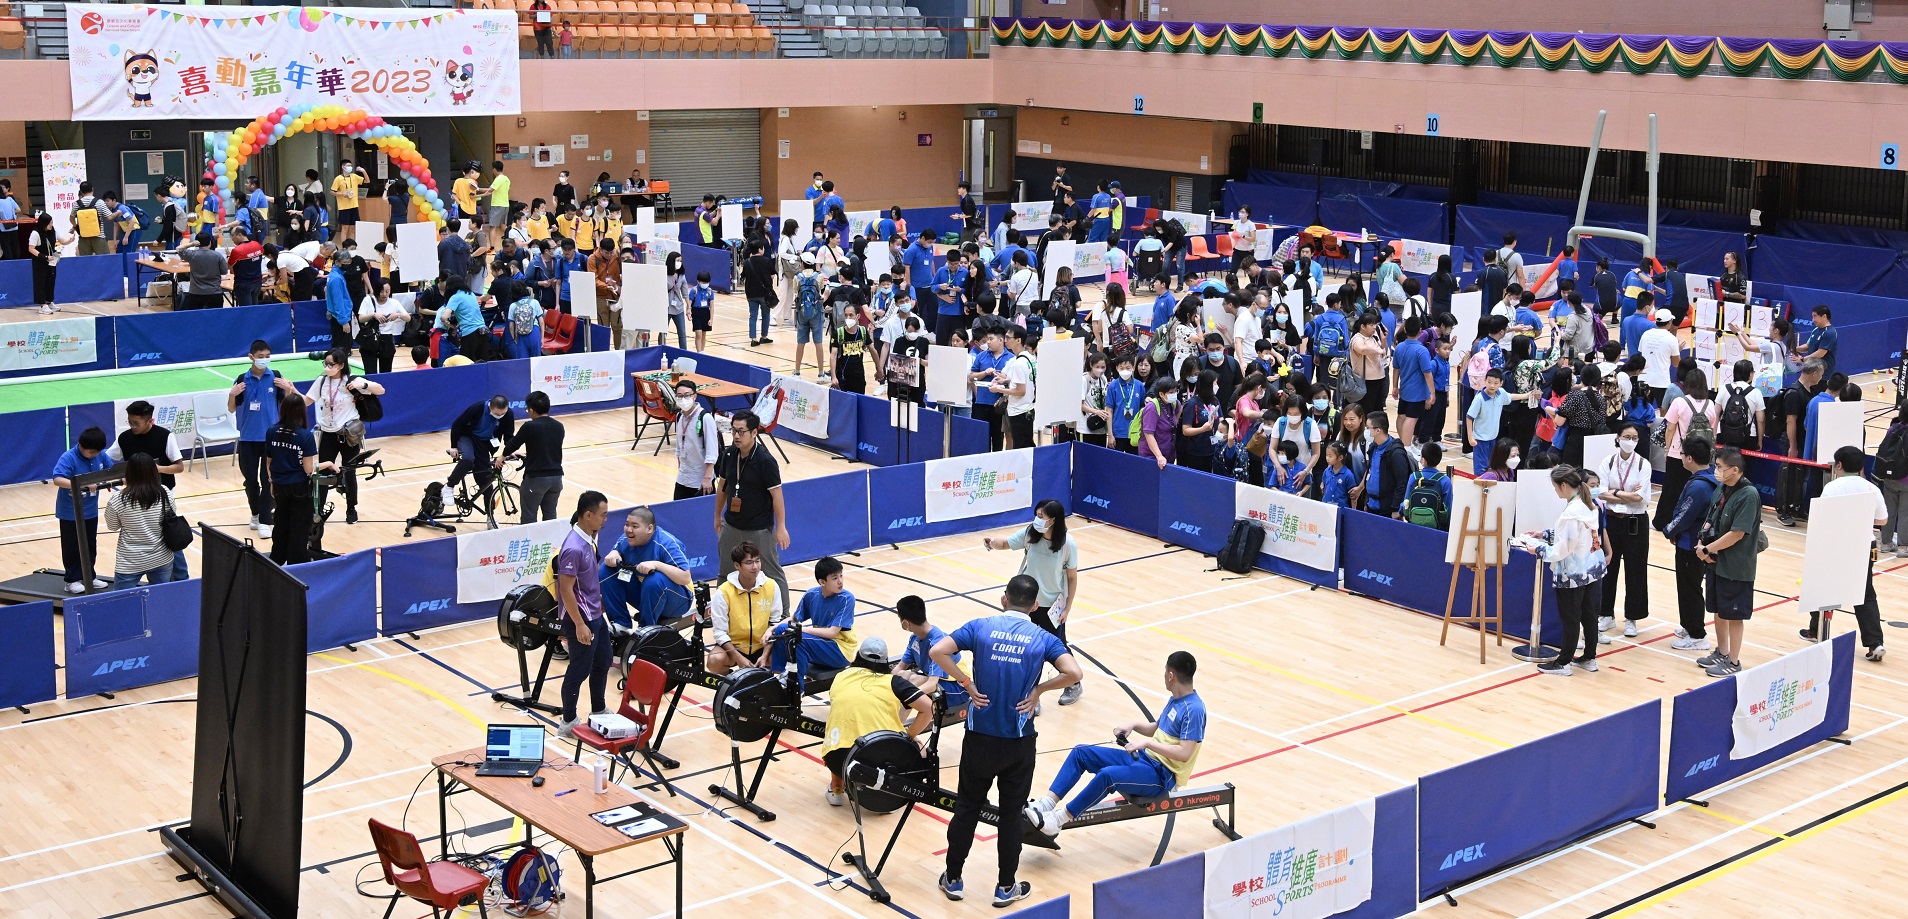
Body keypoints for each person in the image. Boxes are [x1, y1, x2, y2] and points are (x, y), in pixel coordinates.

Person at [930, 574, 1081, 908]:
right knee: (1011, 815)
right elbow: (1074, 673)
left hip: (979, 738)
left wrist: (966, 683)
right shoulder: (1043, 637)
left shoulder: (980, 627)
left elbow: (938, 650)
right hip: (1018, 742)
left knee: (967, 808)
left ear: (1004, 599)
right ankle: (1005, 887)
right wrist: (1039, 690)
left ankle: (953, 879)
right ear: (1036, 605)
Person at [1027, 650, 1206, 840]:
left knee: (1108, 776)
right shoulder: (1176, 699)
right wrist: (1134, 725)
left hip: (1162, 775)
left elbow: (1184, 753)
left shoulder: (1194, 710)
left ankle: (1058, 821)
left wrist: (1147, 743)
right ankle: (1047, 804)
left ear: (1170, 675)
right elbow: (1157, 728)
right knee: (1081, 753)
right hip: (1144, 760)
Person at [983, 498, 1083, 704]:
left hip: (1051, 606)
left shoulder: (1067, 544)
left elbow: (1072, 578)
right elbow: (1007, 543)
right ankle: (1030, 693)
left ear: (1053, 520)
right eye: (1036, 515)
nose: (1036, 519)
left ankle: (1073, 683)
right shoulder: (1031, 533)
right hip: (1025, 603)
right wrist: (992, 542)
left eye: (1041, 516)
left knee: (1057, 647)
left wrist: (1067, 608)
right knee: (1025, 646)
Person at [821, 634, 935, 808]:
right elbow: (929, 709)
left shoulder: (841, 676)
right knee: (920, 748)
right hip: (876, 764)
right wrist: (909, 736)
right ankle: (891, 795)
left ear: (858, 656)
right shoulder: (894, 682)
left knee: (843, 733)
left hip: (836, 761)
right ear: (886, 661)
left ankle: (836, 789)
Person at [1803, 446, 1888, 661]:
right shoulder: (1871, 488)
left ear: (1839, 465)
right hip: (1866, 546)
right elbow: (1882, 520)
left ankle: (1816, 630)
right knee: (1866, 594)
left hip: (1837, 545)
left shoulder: (1832, 487)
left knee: (1824, 587)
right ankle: (1875, 643)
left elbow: (1823, 518)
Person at [1524, 466, 1608, 676]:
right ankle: (1589, 658)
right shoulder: (1588, 504)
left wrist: (1538, 549)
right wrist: (1545, 534)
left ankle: (1563, 662)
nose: (1555, 491)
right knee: (1589, 615)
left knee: (1571, 617)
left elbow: (1563, 549)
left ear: (1563, 485)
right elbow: (1577, 537)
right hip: (1592, 569)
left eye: (1555, 487)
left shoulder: (1571, 513)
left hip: (1573, 573)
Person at [548, 491, 612, 738]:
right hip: (582, 617)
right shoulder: (573, 548)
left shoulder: (589, 538)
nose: (605, 519)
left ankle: (598, 709)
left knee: (603, 660)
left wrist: (600, 599)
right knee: (579, 669)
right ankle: (568, 721)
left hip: (594, 613)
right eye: (602, 515)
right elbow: (565, 589)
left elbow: (588, 577)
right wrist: (579, 624)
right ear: (587, 515)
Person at [714, 410, 791, 612]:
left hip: (759, 528)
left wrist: (781, 527)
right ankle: (720, 612)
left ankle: (784, 615)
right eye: (734, 431)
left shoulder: (765, 460)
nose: (736, 436)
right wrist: (717, 517)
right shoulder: (729, 454)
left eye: (741, 431)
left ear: (754, 432)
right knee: (725, 571)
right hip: (731, 524)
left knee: (772, 573)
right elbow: (722, 487)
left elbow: (777, 496)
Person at [1696, 447, 1762, 676]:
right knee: (1718, 610)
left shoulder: (1749, 495)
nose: (1716, 470)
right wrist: (1702, 543)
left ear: (1734, 470)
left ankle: (1733, 662)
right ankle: (1722, 652)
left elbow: (1737, 534)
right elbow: (1711, 517)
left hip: (1736, 567)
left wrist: (1708, 548)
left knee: (1734, 615)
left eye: (1719, 467)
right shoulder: (1723, 488)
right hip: (1716, 562)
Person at [106, 401, 189, 581]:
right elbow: (107, 458)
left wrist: (157, 469)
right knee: (143, 534)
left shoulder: (165, 436)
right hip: (134, 495)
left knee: (169, 533)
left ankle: (182, 578)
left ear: (150, 421)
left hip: (161, 494)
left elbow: (179, 467)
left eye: (136, 423)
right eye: (130, 422)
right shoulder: (124, 438)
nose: (132, 426)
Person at [301, 348, 383, 525]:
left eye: (331, 364)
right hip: (327, 434)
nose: (327, 367)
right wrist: (290, 390)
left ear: (340, 365)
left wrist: (364, 386)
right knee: (322, 473)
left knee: (349, 472)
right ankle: (318, 510)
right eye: (325, 363)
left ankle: (351, 508)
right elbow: (306, 401)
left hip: (348, 435)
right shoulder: (322, 381)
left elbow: (380, 390)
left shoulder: (352, 380)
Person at [230, 340, 299, 538]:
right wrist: (231, 395)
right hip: (248, 438)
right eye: (260, 357)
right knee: (251, 480)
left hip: (271, 437)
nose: (264, 360)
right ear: (251, 357)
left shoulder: (275, 377)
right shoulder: (242, 379)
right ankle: (255, 513)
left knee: (268, 479)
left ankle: (265, 521)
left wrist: (288, 390)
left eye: (267, 356)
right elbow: (232, 408)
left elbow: (288, 405)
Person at [266, 391, 336, 566]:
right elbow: (308, 469)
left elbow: (269, 462)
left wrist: (271, 482)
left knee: (281, 523)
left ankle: (276, 560)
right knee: (299, 528)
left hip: (279, 486)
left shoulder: (271, 431)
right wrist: (328, 463)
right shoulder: (305, 436)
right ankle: (296, 565)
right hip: (299, 488)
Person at [1665, 439, 1720, 656]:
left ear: (1689, 458)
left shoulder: (1699, 486)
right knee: (1689, 586)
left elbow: (1685, 515)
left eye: (1682, 454)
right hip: (1695, 541)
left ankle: (1697, 635)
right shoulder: (1710, 476)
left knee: (1690, 588)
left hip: (1691, 544)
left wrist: (1669, 530)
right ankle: (1689, 625)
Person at [1597, 423, 1652, 638]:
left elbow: (1640, 497)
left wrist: (1615, 492)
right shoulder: (1608, 462)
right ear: (1618, 438)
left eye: (1634, 438)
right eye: (1627, 436)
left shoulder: (1643, 464)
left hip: (1635, 522)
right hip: (1611, 520)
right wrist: (1625, 493)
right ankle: (1605, 614)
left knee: (1636, 570)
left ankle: (1632, 618)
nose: (1630, 441)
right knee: (1608, 567)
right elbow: (1600, 493)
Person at [765, 555, 859, 679]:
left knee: (797, 638)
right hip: (820, 644)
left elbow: (832, 633)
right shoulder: (812, 595)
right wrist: (772, 628)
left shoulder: (846, 599)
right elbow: (794, 619)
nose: (840, 581)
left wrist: (800, 630)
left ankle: (798, 685)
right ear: (822, 582)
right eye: (835, 578)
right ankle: (778, 675)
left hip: (840, 650)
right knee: (782, 629)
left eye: (841, 575)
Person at [599, 506, 693, 630]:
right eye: (627, 525)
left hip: (678, 600)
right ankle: (621, 623)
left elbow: (685, 577)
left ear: (649, 528)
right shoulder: (626, 539)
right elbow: (616, 552)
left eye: (635, 526)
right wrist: (614, 553)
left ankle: (645, 628)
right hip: (646, 594)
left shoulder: (667, 543)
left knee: (654, 580)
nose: (628, 530)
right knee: (606, 570)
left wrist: (657, 564)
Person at [707, 540, 784, 675]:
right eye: (749, 562)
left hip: (763, 646)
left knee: (785, 657)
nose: (755, 566)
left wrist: (765, 655)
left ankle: (766, 680)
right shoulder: (724, 592)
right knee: (714, 660)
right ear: (737, 565)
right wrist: (739, 658)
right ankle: (733, 681)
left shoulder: (771, 586)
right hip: (734, 648)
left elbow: (774, 624)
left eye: (757, 561)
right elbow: (719, 632)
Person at [52, 427, 113, 593]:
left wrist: (108, 481)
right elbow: (57, 479)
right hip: (70, 512)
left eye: (96, 452)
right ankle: (71, 580)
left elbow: (109, 471)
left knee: (90, 545)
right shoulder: (68, 457)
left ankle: (89, 576)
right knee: (72, 547)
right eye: (91, 452)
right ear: (81, 445)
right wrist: (81, 485)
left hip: (90, 510)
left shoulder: (100, 455)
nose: (94, 455)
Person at [104, 453, 177, 590]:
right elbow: (172, 515)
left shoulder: (118, 498)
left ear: (128, 473)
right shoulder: (165, 492)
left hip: (130, 561)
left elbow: (112, 526)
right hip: (161, 558)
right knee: (159, 598)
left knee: (122, 600)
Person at [893, 594, 969, 717]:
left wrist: (908, 696)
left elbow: (932, 684)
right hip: (938, 683)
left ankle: (895, 726)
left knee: (914, 681)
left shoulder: (938, 643)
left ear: (905, 623)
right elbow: (900, 668)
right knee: (902, 676)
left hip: (958, 689)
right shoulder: (914, 639)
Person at [1777, 359, 1829, 526]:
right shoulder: (1794, 393)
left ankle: (1797, 508)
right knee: (1789, 476)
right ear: (1814, 373)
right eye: (1821, 374)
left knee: (1802, 477)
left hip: (1804, 441)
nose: (1821, 378)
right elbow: (1790, 421)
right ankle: (1783, 511)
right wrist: (1792, 446)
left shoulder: (1811, 391)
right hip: (1792, 441)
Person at [447, 396, 517, 519]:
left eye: (502, 414)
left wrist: (511, 450)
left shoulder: (508, 414)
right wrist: (453, 447)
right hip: (468, 437)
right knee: (468, 459)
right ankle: (449, 487)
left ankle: (491, 517)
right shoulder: (477, 408)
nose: (500, 416)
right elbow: (457, 425)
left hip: (484, 444)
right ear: (490, 407)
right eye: (497, 414)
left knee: (486, 483)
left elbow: (508, 435)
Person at [501, 391, 565, 524]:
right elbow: (546, 446)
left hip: (536, 478)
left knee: (529, 517)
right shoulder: (559, 426)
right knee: (550, 516)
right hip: (556, 478)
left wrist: (502, 456)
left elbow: (513, 444)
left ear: (531, 410)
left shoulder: (529, 426)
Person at [670, 378, 721, 501]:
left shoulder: (705, 418)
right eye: (680, 396)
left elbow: (712, 452)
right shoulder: (679, 417)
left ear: (694, 396)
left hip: (701, 481)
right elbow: (679, 448)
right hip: (683, 478)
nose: (683, 399)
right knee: (679, 511)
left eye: (687, 395)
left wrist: (707, 478)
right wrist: (680, 470)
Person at [991, 326, 1038, 449]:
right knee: (1027, 445)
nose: (1005, 340)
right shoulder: (1030, 358)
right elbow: (1026, 381)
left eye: (1008, 337)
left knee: (1021, 447)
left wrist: (998, 389)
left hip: (1019, 412)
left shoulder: (1018, 363)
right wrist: (1007, 380)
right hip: (1027, 408)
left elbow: (1021, 391)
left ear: (1018, 340)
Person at [1363, 411, 1413, 518]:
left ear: (1378, 431)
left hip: (1388, 510)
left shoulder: (1396, 453)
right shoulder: (1373, 447)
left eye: (1368, 428)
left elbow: (1402, 483)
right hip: (1371, 505)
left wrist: (1395, 509)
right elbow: (1370, 474)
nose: (1365, 431)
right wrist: (1367, 501)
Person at [1465, 368, 1511, 477]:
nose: (1492, 385)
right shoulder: (1479, 399)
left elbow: (1511, 397)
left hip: (1492, 438)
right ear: (1485, 381)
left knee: (1491, 466)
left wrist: (1528, 395)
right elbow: (1469, 417)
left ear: (1501, 383)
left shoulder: (1501, 393)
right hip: (1480, 440)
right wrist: (1470, 437)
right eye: (1489, 382)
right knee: (1481, 470)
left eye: (1495, 383)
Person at [435, 274, 488, 362]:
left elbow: (444, 317)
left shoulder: (455, 297)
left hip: (470, 333)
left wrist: (445, 321)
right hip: (483, 330)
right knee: (482, 361)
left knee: (466, 362)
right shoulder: (471, 294)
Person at [27, 213, 71, 314]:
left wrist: (70, 240)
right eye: (50, 223)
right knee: (40, 282)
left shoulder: (53, 230)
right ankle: (42, 305)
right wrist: (44, 257)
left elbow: (62, 241)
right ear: (44, 223)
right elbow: (31, 249)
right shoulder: (35, 233)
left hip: (51, 261)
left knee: (50, 281)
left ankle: (49, 301)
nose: (52, 224)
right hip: (40, 261)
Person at [1637, 308, 1679, 403]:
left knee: (1644, 408)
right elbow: (1676, 364)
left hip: (1644, 379)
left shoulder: (1646, 334)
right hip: (1661, 381)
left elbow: (1642, 353)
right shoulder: (1672, 339)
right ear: (1670, 322)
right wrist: (1677, 351)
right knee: (1664, 409)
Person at [1796, 305, 1839, 381]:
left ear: (1824, 316)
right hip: (1811, 370)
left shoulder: (1829, 332)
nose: (1813, 320)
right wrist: (1794, 348)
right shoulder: (1815, 330)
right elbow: (1808, 346)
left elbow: (1820, 353)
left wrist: (1802, 360)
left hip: (1822, 374)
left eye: (1815, 316)